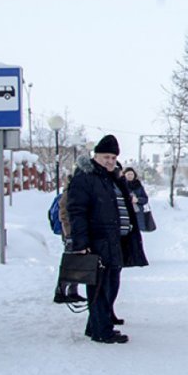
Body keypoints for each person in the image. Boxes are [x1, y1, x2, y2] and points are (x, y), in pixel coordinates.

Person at [65, 135, 148, 344]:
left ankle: (96, 326)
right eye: (106, 157)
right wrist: (81, 244)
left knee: (110, 284)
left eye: (113, 157)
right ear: (96, 156)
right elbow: (77, 212)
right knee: (100, 287)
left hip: (116, 240)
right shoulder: (85, 178)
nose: (110, 161)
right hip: (97, 241)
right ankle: (102, 331)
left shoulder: (112, 178)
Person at [122, 167, 154, 232]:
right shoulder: (122, 185)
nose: (130, 176)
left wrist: (137, 200)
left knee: (139, 233)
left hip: (139, 214)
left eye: (132, 174)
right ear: (124, 175)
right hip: (126, 213)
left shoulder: (138, 185)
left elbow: (145, 199)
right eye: (128, 174)